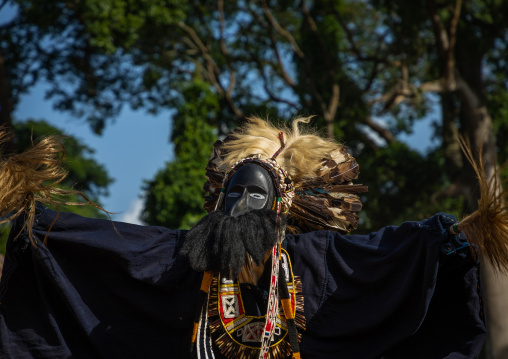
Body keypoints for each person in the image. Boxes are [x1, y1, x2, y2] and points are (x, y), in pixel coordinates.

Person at [0, 117, 503, 358]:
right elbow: (95, 249)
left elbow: (397, 255)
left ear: (286, 208)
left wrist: (460, 237)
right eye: (235, 197)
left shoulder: (317, 262)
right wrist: (30, 213)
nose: (242, 209)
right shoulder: (179, 260)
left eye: (257, 198)